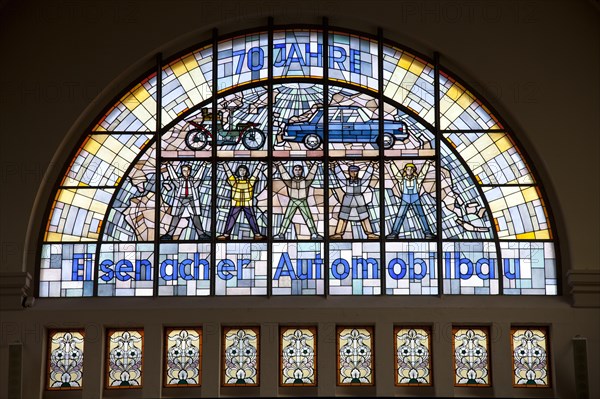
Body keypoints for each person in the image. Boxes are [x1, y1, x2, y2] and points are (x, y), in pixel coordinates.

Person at [386, 160, 436, 239]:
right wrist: (391, 163)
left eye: (411, 169)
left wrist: (427, 163)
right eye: (408, 169)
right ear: (405, 170)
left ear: (413, 170)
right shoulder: (402, 180)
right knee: (399, 216)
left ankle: (428, 233)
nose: (409, 171)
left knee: (421, 215)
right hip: (405, 199)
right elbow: (396, 174)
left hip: (415, 199)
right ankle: (394, 233)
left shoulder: (417, 180)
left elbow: (423, 174)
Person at [273, 161, 323, 240]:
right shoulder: (290, 181)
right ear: (293, 171)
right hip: (293, 200)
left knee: (308, 217)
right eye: (295, 169)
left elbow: (311, 175)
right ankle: (281, 234)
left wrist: (316, 164)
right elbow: (284, 174)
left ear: (302, 171)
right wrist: (279, 164)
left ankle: (314, 234)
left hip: (303, 201)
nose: (297, 171)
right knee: (287, 217)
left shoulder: (306, 181)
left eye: (299, 169)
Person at [161, 163, 210, 240]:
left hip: (191, 199)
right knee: (176, 217)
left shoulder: (193, 181)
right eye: (184, 171)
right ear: (181, 171)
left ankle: (201, 235)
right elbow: (173, 176)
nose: (186, 172)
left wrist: (204, 165)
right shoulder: (179, 181)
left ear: (190, 171)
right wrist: (169, 165)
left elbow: (199, 176)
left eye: (187, 171)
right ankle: (169, 235)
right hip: (181, 199)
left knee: (195, 217)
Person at [329, 161, 378, 239]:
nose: (354, 173)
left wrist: (371, 165)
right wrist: (335, 165)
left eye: (356, 171)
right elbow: (339, 175)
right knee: (343, 217)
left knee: (364, 217)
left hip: (359, 201)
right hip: (347, 201)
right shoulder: (345, 182)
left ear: (358, 172)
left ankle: (370, 234)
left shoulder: (362, 182)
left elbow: (367, 176)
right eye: (352, 171)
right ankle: (338, 234)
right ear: (349, 172)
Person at [218, 163, 264, 239]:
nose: (242, 172)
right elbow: (228, 172)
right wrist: (224, 164)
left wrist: (260, 164)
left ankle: (257, 235)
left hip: (247, 203)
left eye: (244, 170)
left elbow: (256, 173)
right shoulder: (234, 182)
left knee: (252, 219)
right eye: (240, 170)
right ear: (238, 171)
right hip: (236, 203)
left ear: (246, 172)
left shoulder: (250, 182)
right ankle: (226, 235)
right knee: (231, 218)